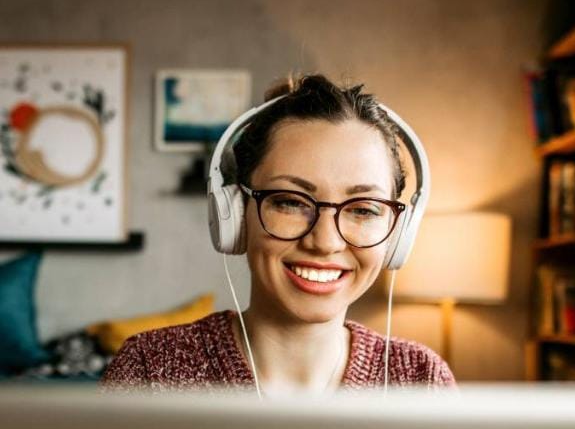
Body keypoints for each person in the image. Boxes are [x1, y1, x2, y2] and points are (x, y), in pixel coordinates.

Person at [102, 75, 455, 394]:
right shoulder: (149, 371)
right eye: (289, 202)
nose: (325, 241)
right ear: (236, 214)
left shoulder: (421, 379)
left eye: (363, 209)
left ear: (398, 233)